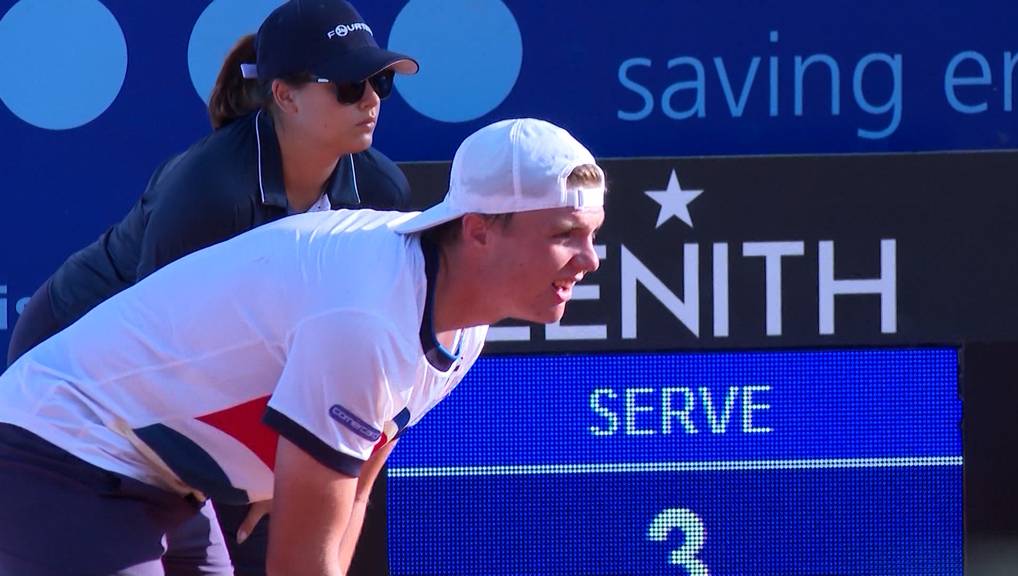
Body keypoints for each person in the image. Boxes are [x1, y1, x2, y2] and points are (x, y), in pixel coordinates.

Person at [0, 117, 606, 575]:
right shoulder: (367, 315)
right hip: (63, 451)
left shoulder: (462, 324)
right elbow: (299, 561)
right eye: (565, 235)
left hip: (160, 475)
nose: (590, 259)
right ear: (477, 230)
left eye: (592, 235)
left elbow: (358, 485)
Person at [3, 0, 417, 573]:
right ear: (285, 96)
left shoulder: (380, 192)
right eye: (349, 86)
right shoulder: (210, 194)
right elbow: (161, 357)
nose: (371, 100)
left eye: (379, 82)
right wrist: (269, 471)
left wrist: (280, 471)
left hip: (169, 392)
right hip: (68, 365)